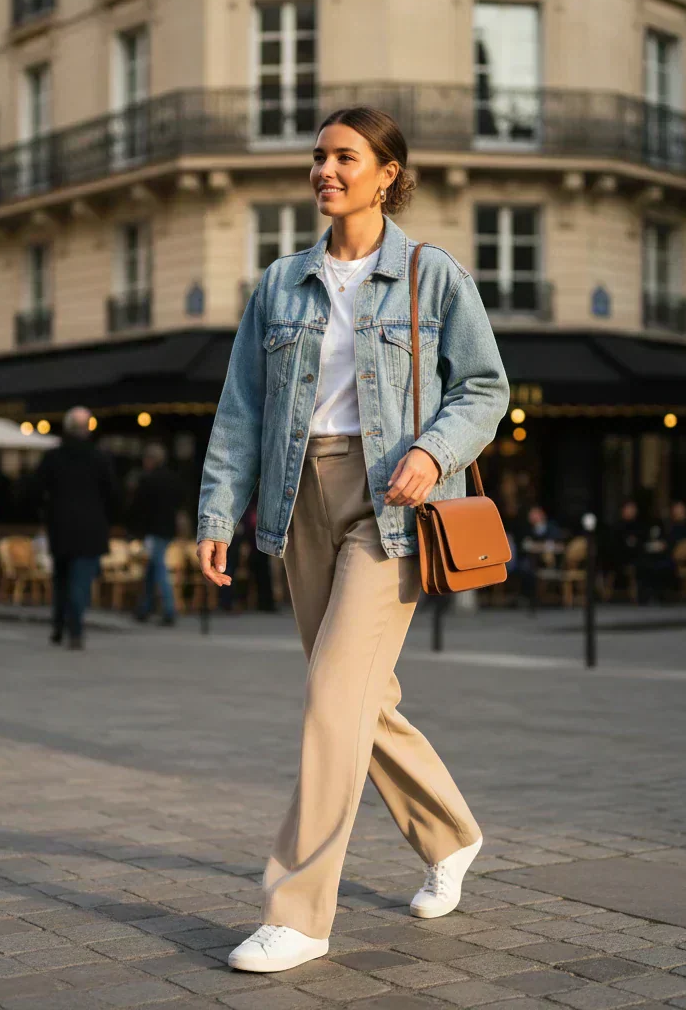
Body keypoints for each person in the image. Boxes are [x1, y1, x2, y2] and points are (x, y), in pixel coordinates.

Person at [195, 106, 508, 973]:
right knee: (360, 699)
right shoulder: (279, 284)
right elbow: (241, 411)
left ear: (387, 174)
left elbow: (485, 388)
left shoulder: (431, 275)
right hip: (298, 499)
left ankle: (298, 913)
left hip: (392, 506)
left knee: (333, 697)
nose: (325, 171)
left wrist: (432, 451)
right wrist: (217, 514)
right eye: (318, 156)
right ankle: (449, 834)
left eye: (345, 157)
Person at [33, 406, 117, 650]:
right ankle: (75, 630)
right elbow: (113, 495)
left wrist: (45, 513)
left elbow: (35, 490)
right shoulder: (99, 458)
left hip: (60, 527)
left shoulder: (53, 457)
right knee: (80, 582)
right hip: (90, 529)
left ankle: (59, 625)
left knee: (61, 580)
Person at [129, 442, 184, 625]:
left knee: (159, 568)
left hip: (153, 530)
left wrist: (135, 530)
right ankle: (144, 607)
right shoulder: (173, 479)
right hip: (168, 529)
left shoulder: (148, 480)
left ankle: (169, 609)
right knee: (152, 569)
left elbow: (139, 507)